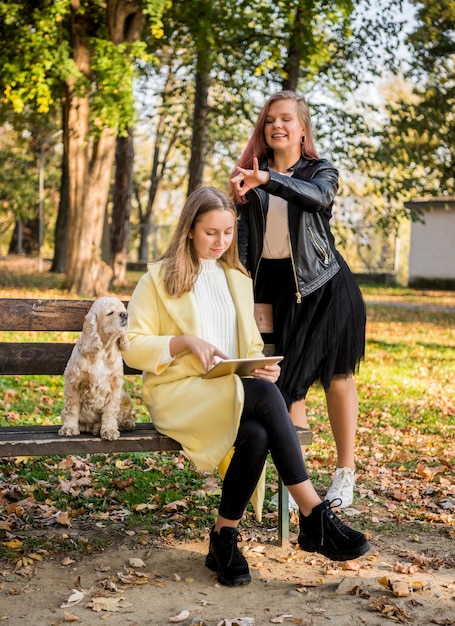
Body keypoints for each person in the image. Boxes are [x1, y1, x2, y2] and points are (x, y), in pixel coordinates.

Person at [123, 186, 370, 587]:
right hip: (179, 394)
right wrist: (183, 342)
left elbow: (252, 347)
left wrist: (262, 368)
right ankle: (312, 513)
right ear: (188, 230)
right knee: (261, 399)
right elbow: (132, 346)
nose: (221, 242)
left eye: (227, 232)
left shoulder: (237, 278)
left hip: (231, 392)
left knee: (256, 430)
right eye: (210, 233)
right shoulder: (158, 279)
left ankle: (224, 536)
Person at [230, 90, 366, 509]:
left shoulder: (320, 171)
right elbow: (247, 245)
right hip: (278, 290)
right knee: (289, 388)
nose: (277, 126)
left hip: (325, 286)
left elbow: (317, 198)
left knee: (337, 376)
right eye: (270, 119)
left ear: (302, 129)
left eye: (287, 119)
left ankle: (345, 474)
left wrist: (268, 180)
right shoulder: (249, 174)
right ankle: (298, 482)